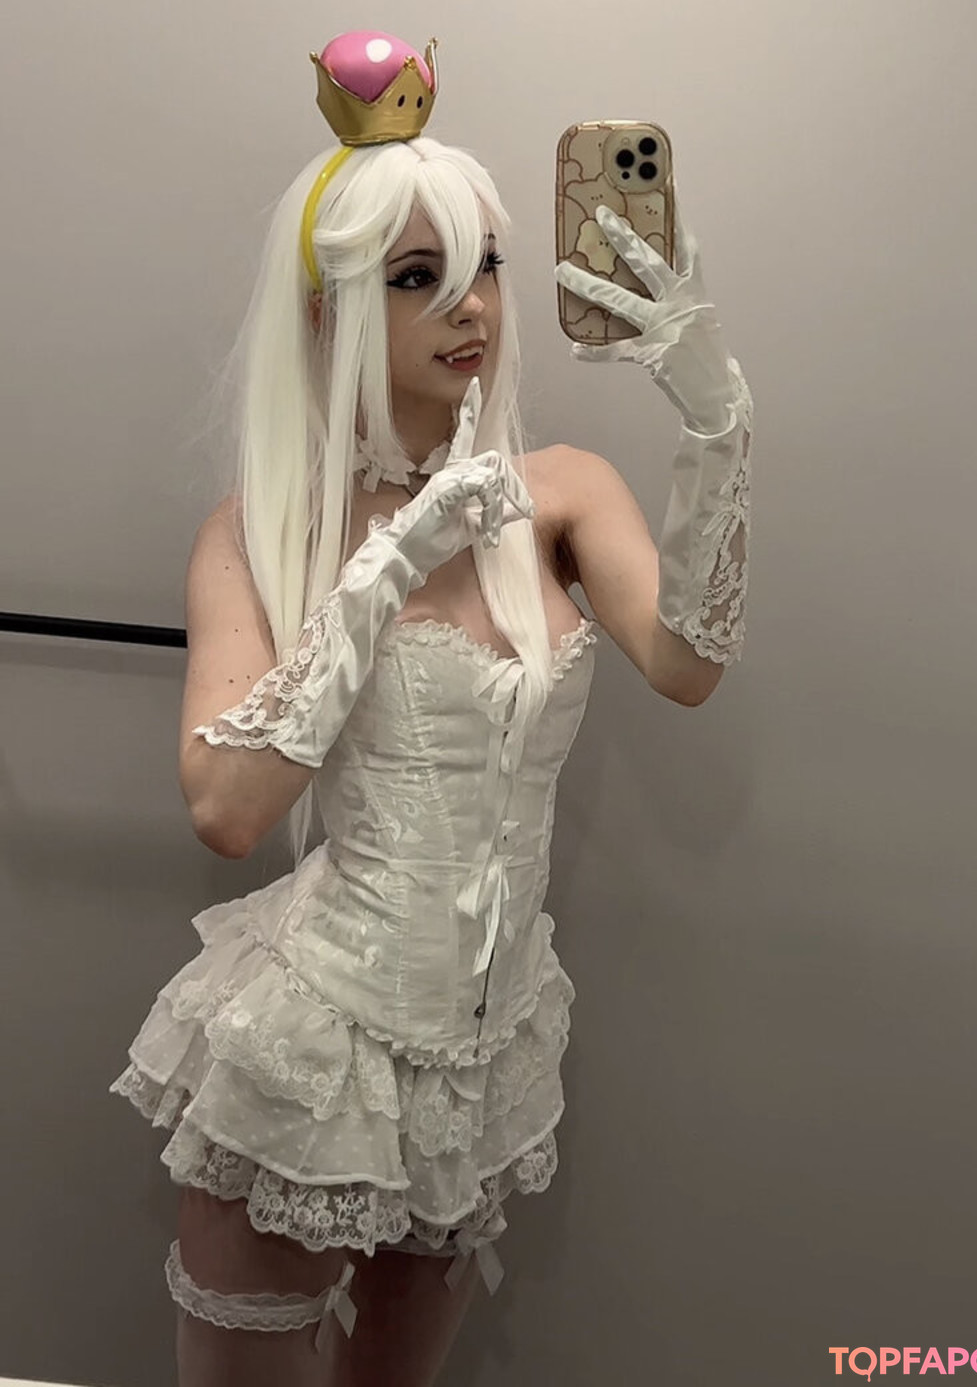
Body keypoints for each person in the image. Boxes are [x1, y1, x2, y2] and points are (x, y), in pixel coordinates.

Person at [108, 28, 754, 1387]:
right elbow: (226, 812)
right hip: (316, 1051)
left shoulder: (564, 492)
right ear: (331, 310)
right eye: (418, 278)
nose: (471, 308)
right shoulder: (261, 533)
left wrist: (719, 427)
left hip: (492, 1053)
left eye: (486, 268)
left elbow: (689, 665)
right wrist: (388, 563)